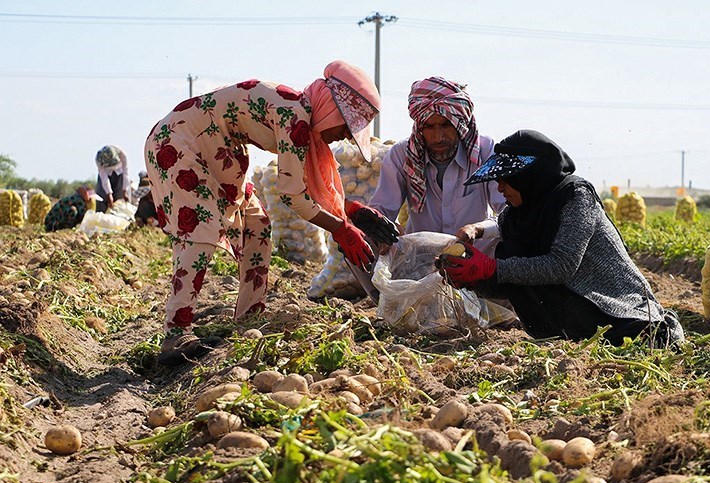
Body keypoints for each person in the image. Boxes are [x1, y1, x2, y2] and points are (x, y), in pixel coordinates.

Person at [144, 60, 397, 365]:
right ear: (331, 108)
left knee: (257, 224)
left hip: (218, 149)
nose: (345, 136)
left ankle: (248, 318)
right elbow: (294, 196)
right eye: (346, 126)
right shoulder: (296, 118)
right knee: (201, 229)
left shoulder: (299, 113)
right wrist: (340, 229)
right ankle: (176, 332)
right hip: (179, 143)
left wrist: (351, 212)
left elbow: (303, 183)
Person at [436, 129, 685, 348]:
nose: (500, 188)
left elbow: (561, 266)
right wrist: (472, 278)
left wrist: (490, 268)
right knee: (508, 251)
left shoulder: (575, 197)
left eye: (505, 179)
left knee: (509, 260)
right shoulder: (516, 215)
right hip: (574, 321)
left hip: (616, 311)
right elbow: (513, 277)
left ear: (528, 175)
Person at [367, 77, 506, 254]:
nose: (438, 137)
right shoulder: (401, 156)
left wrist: (477, 229)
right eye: (429, 127)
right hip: (421, 264)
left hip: (477, 264)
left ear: (459, 124)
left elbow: (508, 214)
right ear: (419, 127)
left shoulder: (485, 152)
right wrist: (385, 230)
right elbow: (381, 210)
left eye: (446, 125)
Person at [94, 145, 132, 213]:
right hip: (106, 177)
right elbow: (104, 178)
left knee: (119, 199)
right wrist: (109, 194)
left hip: (119, 175)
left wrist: (124, 190)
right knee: (102, 198)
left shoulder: (122, 154)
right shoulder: (98, 159)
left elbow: (126, 172)